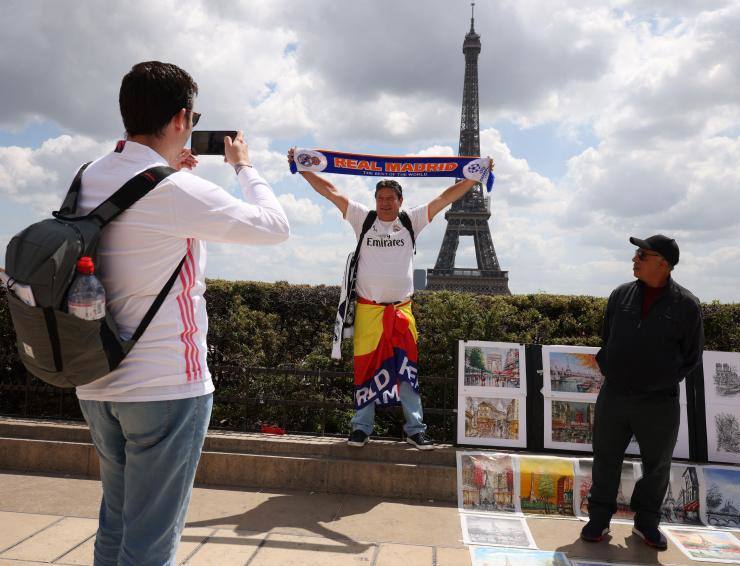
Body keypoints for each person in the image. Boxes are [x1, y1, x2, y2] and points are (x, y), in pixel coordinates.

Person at [75, 61, 290, 566]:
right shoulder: (174, 190)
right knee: (151, 542)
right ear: (179, 119)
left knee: (116, 523)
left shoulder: (87, 176)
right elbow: (274, 225)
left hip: (95, 380)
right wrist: (243, 166)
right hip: (166, 387)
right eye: (193, 119)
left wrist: (175, 175)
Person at [289, 148, 491, 450]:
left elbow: (445, 197)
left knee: (407, 372)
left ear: (400, 201)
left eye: (390, 199)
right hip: (369, 312)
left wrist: (474, 177)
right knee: (365, 368)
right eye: (380, 198)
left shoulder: (412, 220)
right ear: (375, 201)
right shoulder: (363, 218)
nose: (385, 203)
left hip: (401, 312)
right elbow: (331, 191)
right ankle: (361, 427)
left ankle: (415, 429)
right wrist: (303, 169)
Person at [581, 235, 704, 550]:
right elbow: (608, 337)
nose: (634, 259)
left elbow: (691, 356)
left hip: (658, 401)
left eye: (642, 255)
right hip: (615, 394)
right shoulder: (620, 295)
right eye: (636, 254)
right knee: (605, 457)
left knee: (657, 464)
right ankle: (599, 518)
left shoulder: (686, 305)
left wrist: (659, 380)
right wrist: (610, 365)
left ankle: (647, 522)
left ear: (663, 264)